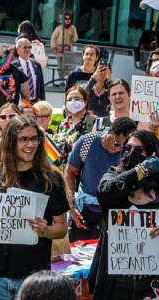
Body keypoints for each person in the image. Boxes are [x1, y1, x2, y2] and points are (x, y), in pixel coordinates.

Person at [0, 115, 69, 300]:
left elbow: (61, 229)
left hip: (34, 277)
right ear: (10, 141)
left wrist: (45, 230)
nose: (30, 144)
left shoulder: (52, 179)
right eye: (23, 139)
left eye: (34, 139)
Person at [88, 130, 159, 300]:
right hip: (116, 281)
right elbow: (105, 192)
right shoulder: (113, 175)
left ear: (152, 154)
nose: (131, 154)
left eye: (138, 150)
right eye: (127, 148)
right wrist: (141, 170)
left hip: (151, 282)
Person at [64, 117, 137, 242]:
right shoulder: (88, 141)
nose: (118, 149)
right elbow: (69, 172)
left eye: (123, 146)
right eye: (116, 143)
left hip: (112, 214)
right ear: (109, 131)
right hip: (83, 210)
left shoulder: (128, 153)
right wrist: (72, 205)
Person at [52, 86, 96, 169]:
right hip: (62, 174)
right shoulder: (63, 124)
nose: (73, 102)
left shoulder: (93, 122)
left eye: (76, 98)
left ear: (85, 102)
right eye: (69, 99)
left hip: (82, 174)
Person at [12, 37, 45, 102]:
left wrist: (43, 102)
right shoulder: (13, 66)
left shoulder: (37, 65)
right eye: (25, 47)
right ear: (18, 49)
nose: (27, 49)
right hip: (20, 103)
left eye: (29, 47)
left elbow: (41, 87)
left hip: (36, 103)